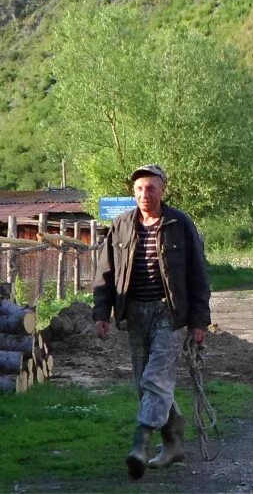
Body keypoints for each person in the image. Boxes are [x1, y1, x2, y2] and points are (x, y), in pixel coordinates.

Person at [92, 164, 211, 479]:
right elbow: (105, 274)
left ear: (163, 189)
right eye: (140, 188)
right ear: (134, 192)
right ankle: (173, 444)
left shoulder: (179, 223)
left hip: (169, 314)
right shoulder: (121, 226)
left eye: (151, 188)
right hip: (134, 313)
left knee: (155, 379)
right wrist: (101, 313)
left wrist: (200, 321)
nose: (145, 194)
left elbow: (199, 275)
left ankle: (140, 444)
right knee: (143, 384)